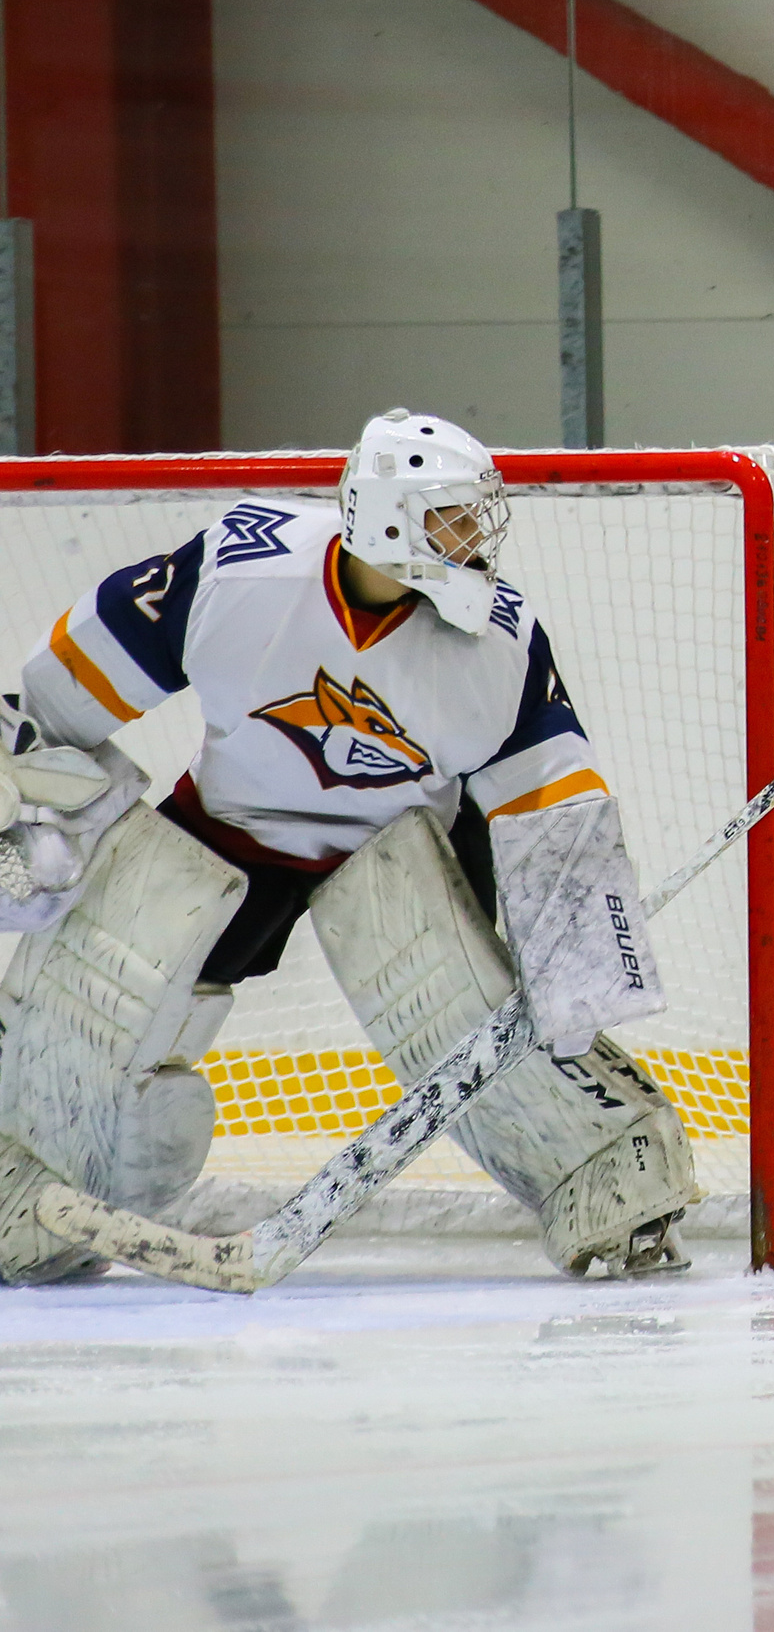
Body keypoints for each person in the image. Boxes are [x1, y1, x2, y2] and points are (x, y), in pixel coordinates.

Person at [0, 409, 694, 1284]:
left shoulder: (499, 640)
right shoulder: (242, 570)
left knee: (468, 1019)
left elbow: (555, 806)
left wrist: (583, 955)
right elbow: (63, 691)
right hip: (226, 833)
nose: (476, 538)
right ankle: (31, 1184)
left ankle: (611, 1174)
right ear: (391, 515)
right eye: (451, 517)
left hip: (402, 855)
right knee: (97, 1002)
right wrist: (23, 783)